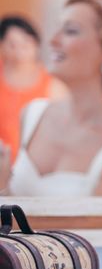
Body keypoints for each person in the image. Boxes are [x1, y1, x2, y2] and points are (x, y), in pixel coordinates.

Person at [0, 0, 102, 196]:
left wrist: (2, 190)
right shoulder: (33, 115)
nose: (53, 40)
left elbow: (96, 229)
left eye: (70, 30)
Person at [0, 15, 67, 162]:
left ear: (36, 43)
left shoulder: (53, 84)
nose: (20, 50)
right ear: (2, 46)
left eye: (25, 42)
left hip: (31, 164)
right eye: (12, 44)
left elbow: (61, 131)